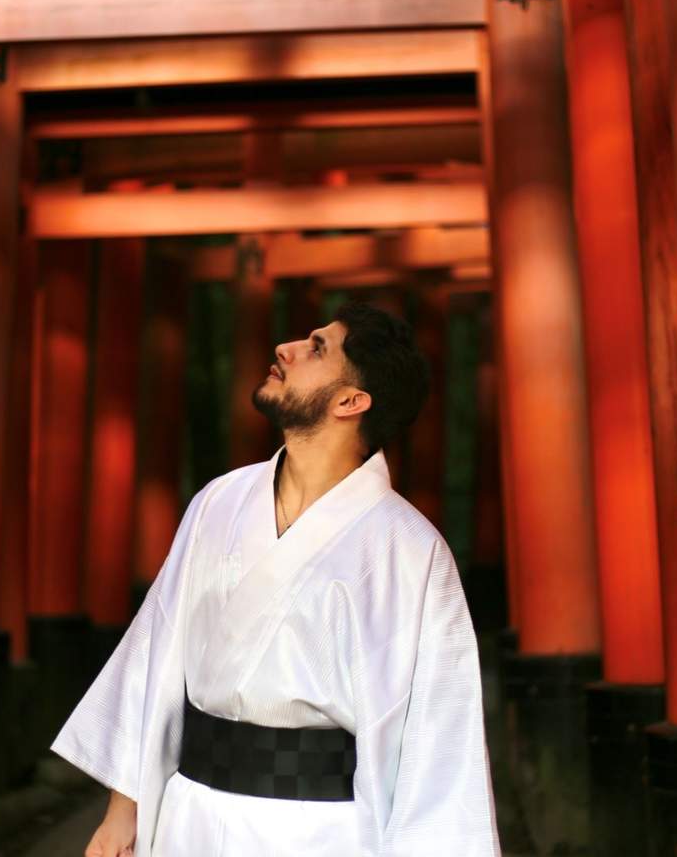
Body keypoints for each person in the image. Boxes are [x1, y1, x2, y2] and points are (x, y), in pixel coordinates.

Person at [51, 300, 500, 857]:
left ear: (351, 401)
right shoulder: (219, 502)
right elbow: (154, 655)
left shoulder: (408, 551)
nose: (285, 349)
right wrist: (125, 810)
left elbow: (440, 736)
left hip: (321, 834)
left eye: (317, 348)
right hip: (190, 814)